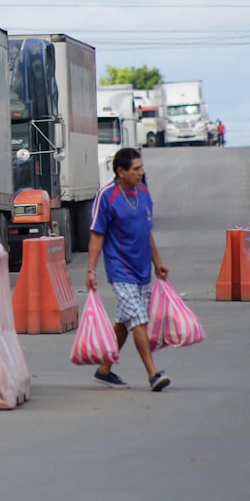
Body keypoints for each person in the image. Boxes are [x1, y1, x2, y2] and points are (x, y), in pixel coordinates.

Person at [84, 146, 171, 392]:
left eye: (141, 168)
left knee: (125, 320)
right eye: (136, 169)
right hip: (120, 271)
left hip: (142, 270)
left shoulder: (143, 193)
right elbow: (97, 237)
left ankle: (104, 370)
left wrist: (157, 262)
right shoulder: (107, 197)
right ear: (120, 171)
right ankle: (153, 374)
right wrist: (91, 270)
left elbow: (147, 232)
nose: (141, 173)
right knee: (139, 319)